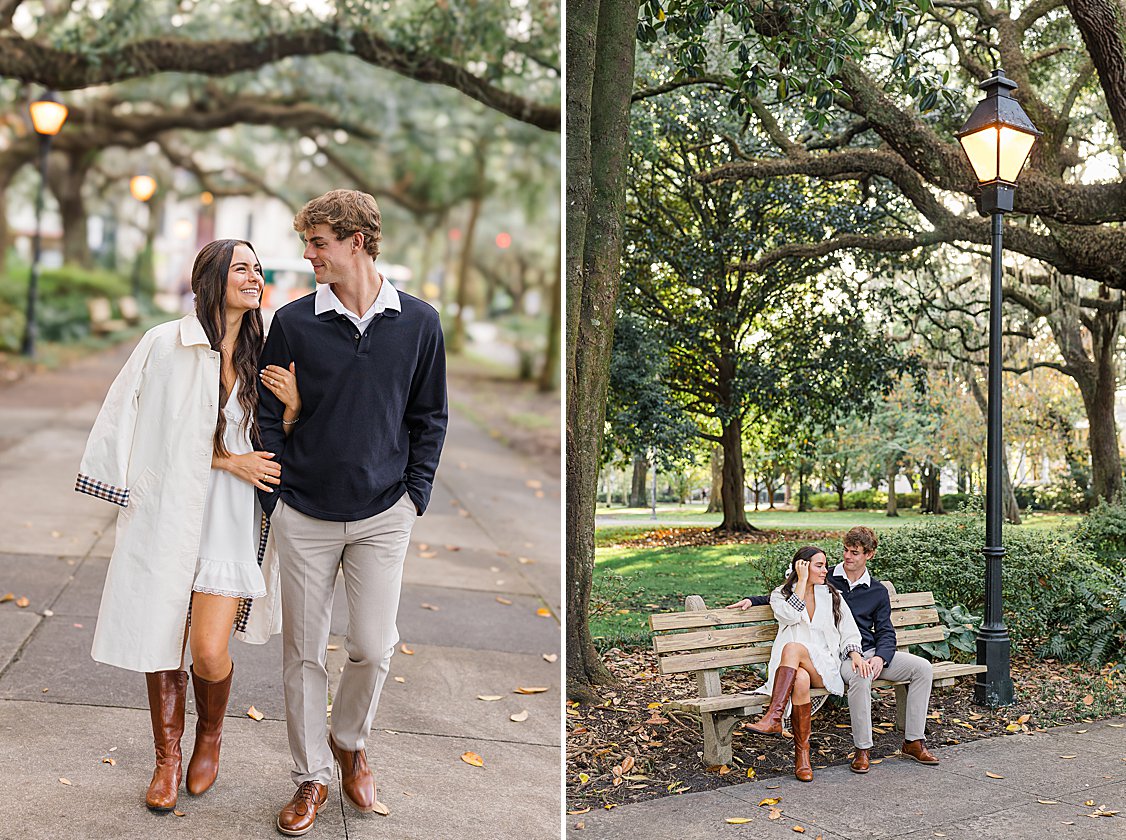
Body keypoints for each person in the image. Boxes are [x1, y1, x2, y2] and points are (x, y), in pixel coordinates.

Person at [75, 239, 301, 810]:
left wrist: (294, 412)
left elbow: (280, 441)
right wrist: (228, 460)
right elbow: (129, 420)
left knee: (207, 649)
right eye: (242, 268)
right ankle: (168, 759)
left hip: (230, 519)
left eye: (258, 269)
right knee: (161, 637)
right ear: (212, 279)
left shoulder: (267, 348)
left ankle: (210, 735)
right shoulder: (164, 344)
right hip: (169, 511)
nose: (255, 277)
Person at [254, 189, 447, 837]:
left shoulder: (419, 323)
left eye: (318, 243)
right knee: (303, 654)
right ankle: (311, 776)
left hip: (383, 513)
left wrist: (414, 495)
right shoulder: (294, 323)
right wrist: (274, 492)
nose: (309, 255)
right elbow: (264, 414)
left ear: (356, 241)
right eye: (308, 243)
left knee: (373, 646)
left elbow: (429, 418)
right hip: (304, 511)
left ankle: (350, 741)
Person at [728, 546, 865, 782]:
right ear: (802, 567)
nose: (825, 570)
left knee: (792, 648)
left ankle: (773, 716)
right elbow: (790, 617)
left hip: (823, 666)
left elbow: (850, 632)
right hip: (792, 671)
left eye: (825, 565)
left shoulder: (833, 595)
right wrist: (801, 583)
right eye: (819, 566)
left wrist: (854, 655)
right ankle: (802, 757)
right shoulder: (780, 595)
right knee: (800, 678)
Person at [828, 526, 939, 772]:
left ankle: (913, 741)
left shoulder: (877, 590)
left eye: (854, 552)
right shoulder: (826, 579)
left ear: (870, 554)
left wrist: (881, 658)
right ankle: (863, 749)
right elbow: (792, 590)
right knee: (861, 674)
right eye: (846, 550)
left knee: (922, 668)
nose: (847, 556)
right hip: (840, 656)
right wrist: (753, 600)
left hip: (869, 652)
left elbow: (886, 631)